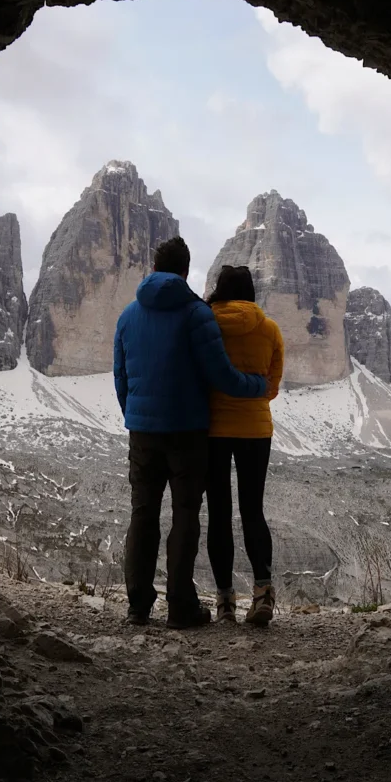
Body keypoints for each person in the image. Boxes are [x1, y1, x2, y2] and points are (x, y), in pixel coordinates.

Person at [113, 237, 267, 629]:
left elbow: (121, 376)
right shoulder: (197, 314)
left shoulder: (128, 315)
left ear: (153, 266)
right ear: (185, 270)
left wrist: (135, 414)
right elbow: (221, 376)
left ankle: (138, 608)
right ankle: (181, 607)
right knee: (185, 516)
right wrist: (257, 385)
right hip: (188, 431)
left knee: (143, 514)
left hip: (143, 431)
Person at [205, 265, 284, 626]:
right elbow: (272, 387)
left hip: (214, 429)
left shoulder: (206, 325)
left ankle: (224, 603)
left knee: (219, 513)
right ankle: (263, 593)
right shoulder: (269, 329)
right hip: (256, 429)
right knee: (253, 510)